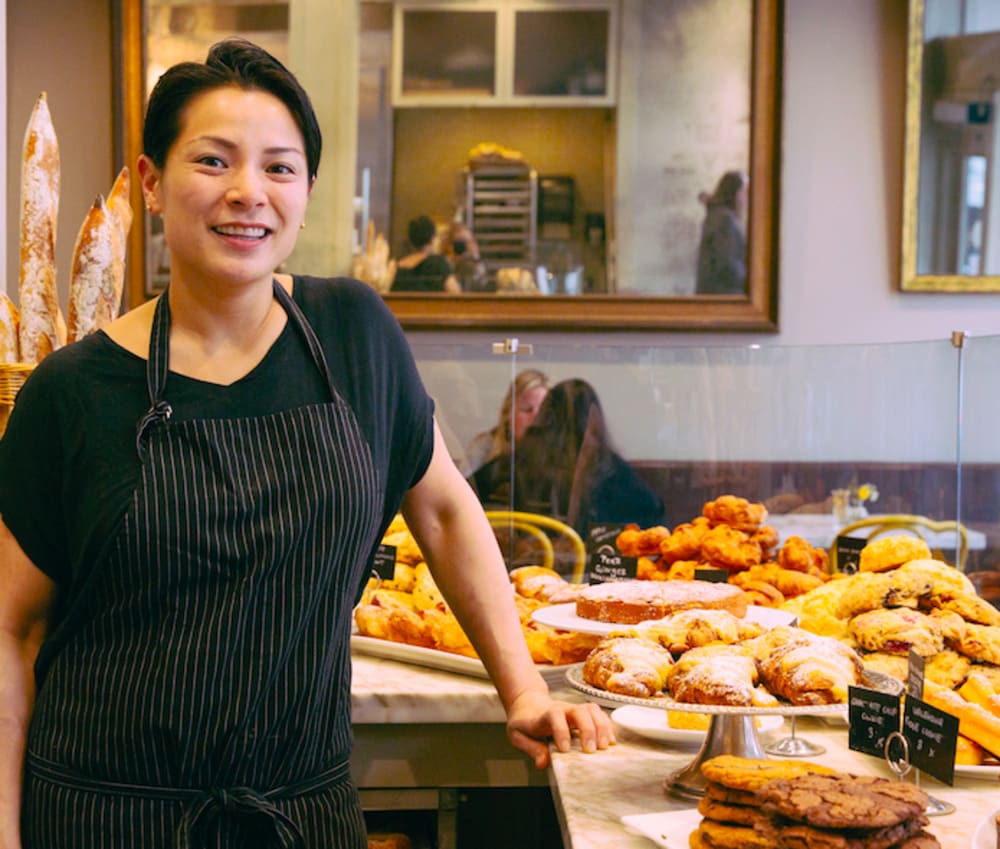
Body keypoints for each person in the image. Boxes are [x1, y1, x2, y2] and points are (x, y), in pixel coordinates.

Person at [0, 39, 612, 849]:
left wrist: (523, 689)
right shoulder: (70, 392)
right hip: (107, 817)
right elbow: (11, 630)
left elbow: (446, 511)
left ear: (308, 191)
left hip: (302, 814)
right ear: (152, 183)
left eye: (279, 168)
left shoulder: (355, 335)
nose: (247, 193)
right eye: (214, 161)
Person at [472, 378, 666, 538]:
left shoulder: (520, 458)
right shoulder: (610, 465)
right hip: (585, 569)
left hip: (544, 564)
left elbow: (470, 491)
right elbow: (655, 513)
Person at [462, 367, 550, 477]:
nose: (536, 418)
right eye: (527, 410)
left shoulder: (557, 452)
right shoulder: (485, 446)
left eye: (543, 411)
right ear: (508, 412)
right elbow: (458, 489)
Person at [695, 170, 748, 295]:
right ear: (733, 193)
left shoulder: (718, 215)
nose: (746, 199)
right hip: (724, 296)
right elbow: (728, 265)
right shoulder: (724, 219)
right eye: (744, 192)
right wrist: (754, 281)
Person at [390, 214, 461, 294]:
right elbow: (455, 292)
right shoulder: (438, 264)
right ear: (432, 239)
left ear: (410, 240)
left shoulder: (396, 268)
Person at [441, 220, 490, 292]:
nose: (467, 246)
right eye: (462, 242)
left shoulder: (475, 263)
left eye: (470, 241)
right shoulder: (442, 265)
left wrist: (475, 260)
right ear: (450, 246)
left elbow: (481, 283)